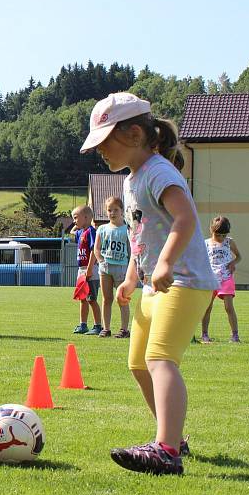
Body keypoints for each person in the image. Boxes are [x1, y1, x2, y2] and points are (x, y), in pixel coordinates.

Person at [81, 92, 217, 475]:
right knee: (139, 364)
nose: (100, 152)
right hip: (152, 285)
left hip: (185, 282)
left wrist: (168, 263)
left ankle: (167, 451)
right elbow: (141, 235)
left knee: (160, 360)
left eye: (105, 142)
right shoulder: (130, 181)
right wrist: (130, 277)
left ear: (135, 133)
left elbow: (186, 218)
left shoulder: (159, 172)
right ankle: (173, 436)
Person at [93, 196, 131, 338]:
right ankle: (106, 328)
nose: (112, 213)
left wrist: (131, 268)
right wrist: (101, 261)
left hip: (121, 267)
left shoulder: (127, 229)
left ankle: (124, 329)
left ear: (122, 211)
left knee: (122, 298)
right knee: (106, 298)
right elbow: (97, 248)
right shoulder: (102, 229)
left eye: (116, 210)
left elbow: (131, 249)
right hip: (105, 268)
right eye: (109, 210)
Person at [201, 216, 242, 343]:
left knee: (229, 307)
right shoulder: (205, 243)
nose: (221, 238)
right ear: (211, 230)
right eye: (219, 235)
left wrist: (233, 263)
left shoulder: (229, 242)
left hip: (226, 278)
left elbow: (239, 256)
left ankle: (235, 336)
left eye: (224, 235)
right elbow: (201, 260)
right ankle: (205, 335)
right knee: (207, 307)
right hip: (211, 279)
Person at [71, 205, 102, 335]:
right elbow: (72, 232)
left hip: (90, 270)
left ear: (86, 217)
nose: (74, 221)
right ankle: (83, 324)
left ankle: (98, 325)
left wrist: (89, 269)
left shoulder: (91, 232)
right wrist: (77, 223)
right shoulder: (80, 232)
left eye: (76, 218)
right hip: (81, 270)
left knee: (91, 299)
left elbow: (93, 251)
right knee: (82, 298)